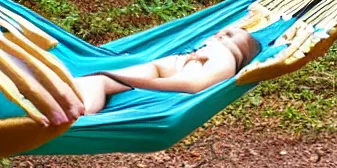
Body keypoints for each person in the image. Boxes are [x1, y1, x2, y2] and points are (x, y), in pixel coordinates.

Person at [76, 26, 260, 115]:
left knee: (96, 81)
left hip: (157, 76)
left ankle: (82, 117)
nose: (211, 39)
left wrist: (141, 83)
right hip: (156, 71)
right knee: (86, 82)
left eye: (221, 35)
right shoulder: (220, 54)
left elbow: (193, 85)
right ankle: (64, 110)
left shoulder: (224, 55)